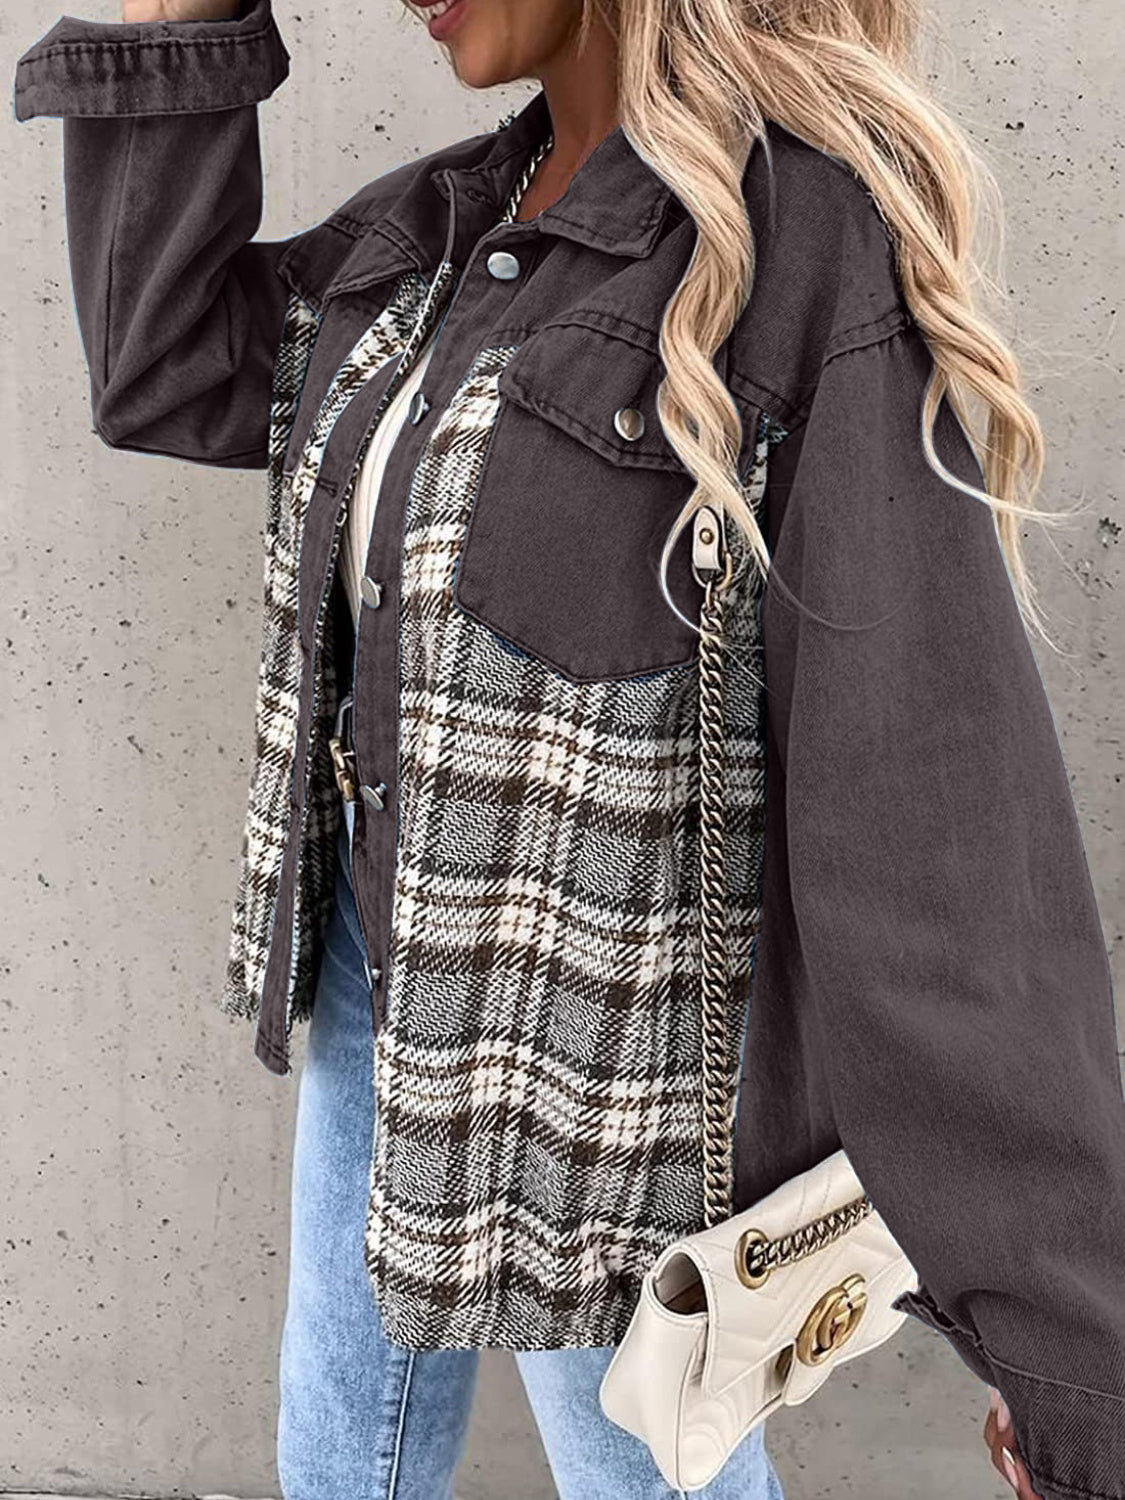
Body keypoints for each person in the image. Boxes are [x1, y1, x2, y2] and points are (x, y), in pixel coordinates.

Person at [11, 0, 1125, 1496]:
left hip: (589, 1080)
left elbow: (933, 831)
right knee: (333, 1461)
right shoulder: (447, 227)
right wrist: (178, 13)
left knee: (636, 1473)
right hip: (371, 971)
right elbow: (169, 365)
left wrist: (1070, 1356)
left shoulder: (797, 249)